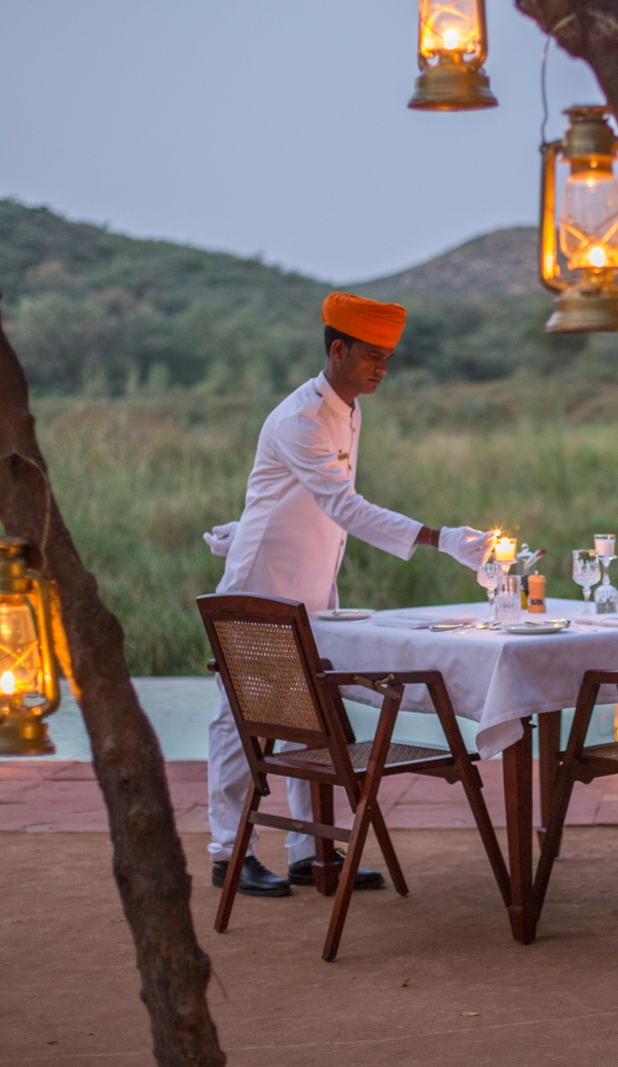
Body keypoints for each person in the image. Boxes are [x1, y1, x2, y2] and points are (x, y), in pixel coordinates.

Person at [203, 292, 491, 897]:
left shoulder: (350, 409)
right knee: (240, 719)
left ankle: (312, 853)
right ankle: (227, 854)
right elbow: (344, 506)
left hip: (311, 586)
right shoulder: (299, 418)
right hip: (261, 587)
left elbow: (306, 500)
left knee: (311, 716)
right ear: (338, 349)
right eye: (372, 356)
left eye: (388, 358)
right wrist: (442, 539)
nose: (382, 368)